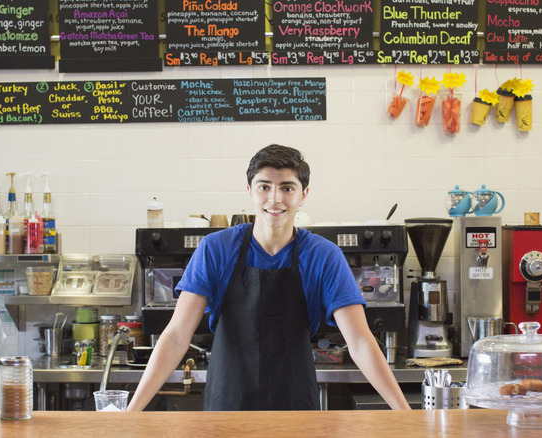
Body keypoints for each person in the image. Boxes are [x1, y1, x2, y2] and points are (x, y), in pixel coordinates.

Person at [127, 144, 410, 411]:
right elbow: (177, 336)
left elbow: (360, 341)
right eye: (265, 187)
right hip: (228, 406)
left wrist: (405, 414)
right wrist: (132, 412)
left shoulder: (324, 256)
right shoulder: (216, 249)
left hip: (295, 406)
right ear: (250, 191)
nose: (275, 199)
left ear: (303, 194)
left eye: (287, 188)